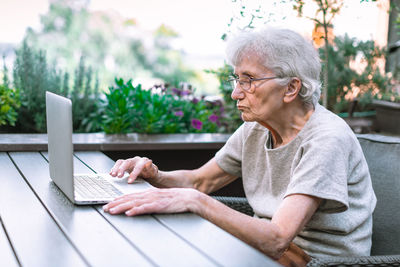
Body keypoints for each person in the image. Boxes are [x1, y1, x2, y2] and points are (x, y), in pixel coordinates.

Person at [103, 27, 376, 265]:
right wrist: (156, 175)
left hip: (315, 261)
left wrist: (197, 202)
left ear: (291, 88)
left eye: (249, 80)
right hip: (266, 251)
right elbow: (199, 183)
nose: (235, 93)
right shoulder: (255, 129)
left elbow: (278, 237)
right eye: (237, 79)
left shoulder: (326, 138)